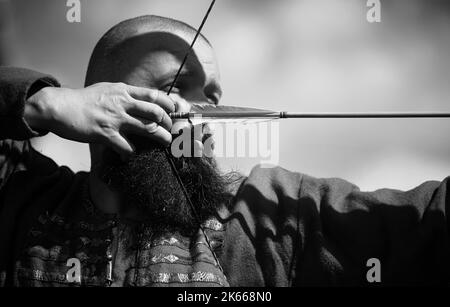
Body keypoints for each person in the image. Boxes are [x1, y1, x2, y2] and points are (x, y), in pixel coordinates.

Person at [0, 15, 448, 287]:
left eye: (210, 102)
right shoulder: (27, 198)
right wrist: (44, 102)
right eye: (174, 90)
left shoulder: (265, 215)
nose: (199, 118)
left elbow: (430, 220)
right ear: (101, 99)